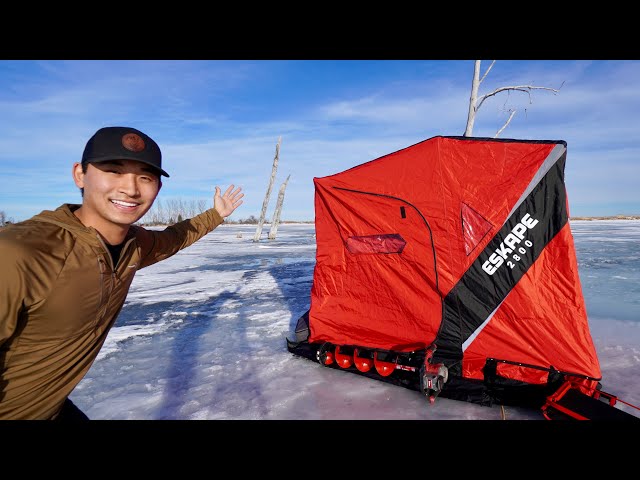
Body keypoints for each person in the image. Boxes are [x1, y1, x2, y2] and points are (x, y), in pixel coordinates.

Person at [0, 126, 243, 420]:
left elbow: (175, 238)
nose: (130, 188)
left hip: (51, 405)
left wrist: (215, 214)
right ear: (80, 174)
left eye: (145, 177)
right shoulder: (20, 251)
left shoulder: (134, 245)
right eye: (113, 171)